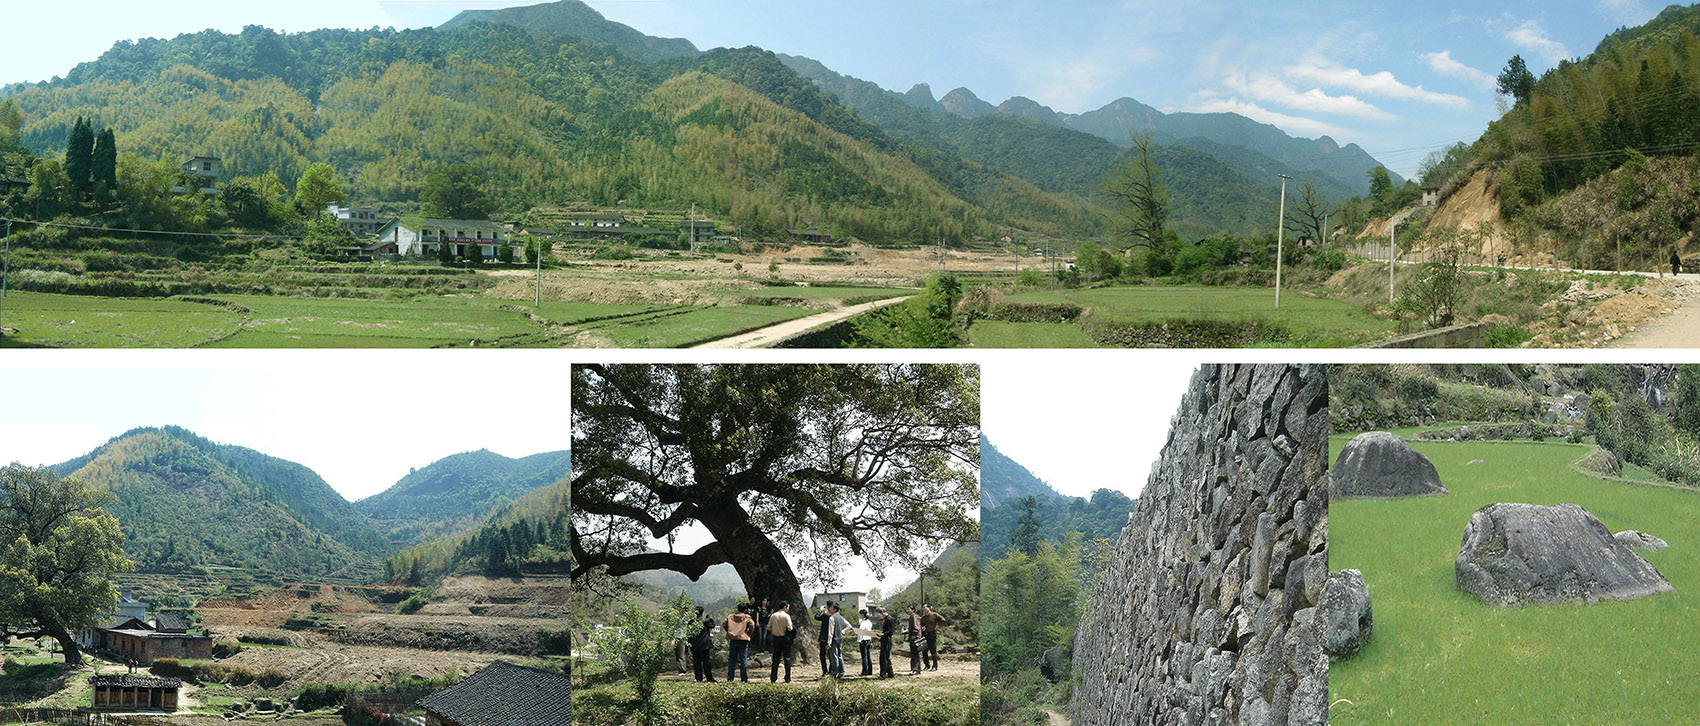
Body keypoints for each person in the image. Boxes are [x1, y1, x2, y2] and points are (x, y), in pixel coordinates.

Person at [724, 602, 755, 682]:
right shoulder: (746, 617)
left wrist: (729, 631)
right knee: (743, 660)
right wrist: (748, 634)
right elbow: (752, 625)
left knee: (732, 660)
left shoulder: (731, 617)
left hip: (733, 639)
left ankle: (730, 678)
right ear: (745, 610)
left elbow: (724, 624)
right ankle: (743, 678)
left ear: (737, 609)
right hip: (743, 639)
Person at [768, 600, 794, 683]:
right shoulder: (786, 616)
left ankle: (773, 678)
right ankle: (787, 677)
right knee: (787, 658)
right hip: (785, 639)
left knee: (775, 659)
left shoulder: (773, 615)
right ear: (785, 607)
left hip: (776, 638)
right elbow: (790, 628)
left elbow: (768, 627)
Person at [690, 606, 717, 682]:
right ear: (702, 613)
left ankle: (698, 678)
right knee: (706, 662)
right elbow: (713, 625)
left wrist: (689, 643)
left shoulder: (691, 622)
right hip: (705, 645)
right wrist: (710, 618)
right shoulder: (706, 621)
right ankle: (709, 678)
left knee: (696, 663)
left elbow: (689, 634)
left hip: (695, 645)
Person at [826, 601, 851, 679]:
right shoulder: (841, 617)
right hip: (839, 639)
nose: (829, 609)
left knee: (834, 657)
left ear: (834, 609)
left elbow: (830, 632)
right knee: (840, 656)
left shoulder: (832, 618)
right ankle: (842, 672)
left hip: (833, 639)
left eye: (830, 607)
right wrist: (843, 631)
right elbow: (849, 625)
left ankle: (835, 672)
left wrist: (828, 642)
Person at [920, 603, 948, 671]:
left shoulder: (934, 615)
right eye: (922, 608)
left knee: (933, 651)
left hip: (932, 634)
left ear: (929, 608)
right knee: (924, 651)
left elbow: (943, 619)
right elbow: (921, 624)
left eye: (924, 607)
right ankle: (927, 665)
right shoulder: (923, 618)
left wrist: (937, 626)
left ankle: (935, 666)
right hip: (925, 635)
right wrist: (923, 628)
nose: (923, 609)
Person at [877, 606, 896, 679]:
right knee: (886, 657)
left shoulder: (889, 619)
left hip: (887, 640)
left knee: (884, 657)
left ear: (882, 612)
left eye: (879, 614)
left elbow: (891, 631)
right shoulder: (885, 619)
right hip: (884, 639)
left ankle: (883, 674)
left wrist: (883, 634)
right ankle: (890, 673)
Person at [814, 603, 833, 676]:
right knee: (831, 655)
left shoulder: (825, 615)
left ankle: (825, 671)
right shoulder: (833, 616)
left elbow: (816, 617)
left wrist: (820, 610)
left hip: (823, 638)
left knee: (822, 655)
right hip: (831, 638)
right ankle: (831, 670)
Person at [905, 605, 923, 675]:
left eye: (909, 609)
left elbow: (916, 627)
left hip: (914, 638)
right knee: (915, 654)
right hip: (915, 637)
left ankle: (916, 669)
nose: (908, 610)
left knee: (914, 654)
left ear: (913, 610)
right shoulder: (914, 616)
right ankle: (916, 669)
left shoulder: (913, 616)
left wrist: (914, 635)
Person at [857, 608, 874, 677]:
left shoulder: (863, 623)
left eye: (860, 614)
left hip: (863, 641)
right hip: (868, 640)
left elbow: (860, 632)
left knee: (864, 657)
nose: (859, 616)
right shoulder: (869, 622)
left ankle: (865, 671)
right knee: (868, 656)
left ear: (862, 615)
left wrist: (859, 640)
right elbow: (870, 632)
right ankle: (870, 670)